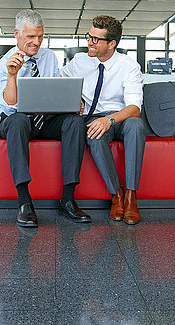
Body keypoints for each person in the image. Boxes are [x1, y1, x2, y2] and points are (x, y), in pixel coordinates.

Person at [0, 9, 91, 228]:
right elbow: (10, 103)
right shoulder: (3, 64)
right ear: (17, 34)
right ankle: (24, 202)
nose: (36, 42)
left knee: (75, 122)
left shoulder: (48, 56)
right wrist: (12, 75)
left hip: (45, 120)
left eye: (40, 36)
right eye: (30, 37)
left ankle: (67, 199)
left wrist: (71, 103)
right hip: (16, 121)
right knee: (18, 120)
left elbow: (54, 90)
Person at [61, 15, 145, 225]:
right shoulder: (80, 61)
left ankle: (131, 196)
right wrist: (75, 98)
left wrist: (109, 120)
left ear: (111, 44)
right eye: (89, 37)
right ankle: (116, 194)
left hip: (121, 117)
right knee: (94, 134)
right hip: (94, 119)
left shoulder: (129, 66)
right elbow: (58, 83)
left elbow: (134, 107)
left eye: (96, 39)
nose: (89, 42)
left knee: (136, 126)